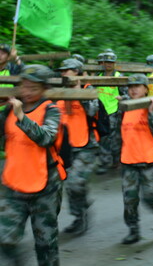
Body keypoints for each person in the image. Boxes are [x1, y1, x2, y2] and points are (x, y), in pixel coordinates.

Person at [0, 64, 66, 266]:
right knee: (5, 238)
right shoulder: (11, 107)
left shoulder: (51, 110)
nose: (26, 92)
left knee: (45, 244)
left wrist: (21, 116)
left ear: (44, 89)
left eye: (33, 88)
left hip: (44, 187)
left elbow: (46, 138)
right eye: (24, 86)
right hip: (14, 184)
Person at [117, 74, 153, 244]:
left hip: (149, 161)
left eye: (138, 86)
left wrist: (150, 112)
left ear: (146, 89)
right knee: (129, 199)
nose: (133, 89)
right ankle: (133, 230)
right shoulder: (125, 106)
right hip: (128, 160)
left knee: (150, 195)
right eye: (131, 86)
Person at [56, 59, 99, 236]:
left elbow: (91, 111)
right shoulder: (57, 90)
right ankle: (78, 215)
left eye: (67, 70)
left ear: (77, 72)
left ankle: (81, 214)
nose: (63, 73)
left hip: (85, 145)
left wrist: (77, 92)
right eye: (62, 71)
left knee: (75, 182)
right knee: (66, 185)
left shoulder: (88, 89)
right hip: (63, 146)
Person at [95, 51, 126, 174]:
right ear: (103, 63)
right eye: (106, 62)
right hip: (101, 112)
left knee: (114, 138)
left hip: (114, 111)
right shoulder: (98, 76)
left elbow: (125, 94)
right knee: (104, 137)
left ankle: (116, 159)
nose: (108, 64)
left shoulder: (119, 76)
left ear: (114, 63)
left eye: (111, 62)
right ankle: (104, 162)